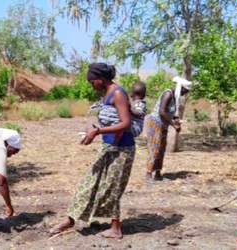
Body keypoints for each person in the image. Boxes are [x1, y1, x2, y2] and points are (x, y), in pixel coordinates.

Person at [50, 62, 135, 239]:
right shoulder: (106, 94)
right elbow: (110, 120)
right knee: (88, 183)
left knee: (112, 187)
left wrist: (97, 131)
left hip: (122, 149)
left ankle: (115, 228)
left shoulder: (118, 93)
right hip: (108, 146)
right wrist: (94, 130)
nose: (91, 85)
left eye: (92, 81)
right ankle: (70, 219)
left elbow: (125, 123)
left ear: (102, 79)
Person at [145, 76, 192, 182]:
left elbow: (168, 112)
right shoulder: (168, 94)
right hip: (156, 123)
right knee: (155, 148)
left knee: (161, 149)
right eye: (185, 90)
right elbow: (162, 112)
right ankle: (148, 174)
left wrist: (176, 119)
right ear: (181, 88)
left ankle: (157, 174)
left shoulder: (174, 97)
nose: (185, 93)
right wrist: (174, 125)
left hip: (163, 125)